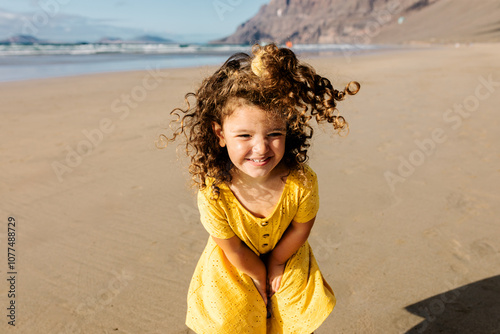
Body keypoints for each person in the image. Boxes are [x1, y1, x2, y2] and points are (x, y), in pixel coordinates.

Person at [158, 43, 360, 334]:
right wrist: (257, 272)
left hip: (287, 255)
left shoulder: (301, 182)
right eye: (244, 135)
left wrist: (276, 264)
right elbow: (231, 246)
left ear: (288, 130)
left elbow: (300, 230)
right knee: (228, 316)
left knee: (294, 319)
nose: (261, 148)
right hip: (235, 263)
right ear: (220, 134)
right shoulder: (213, 191)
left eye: (274, 134)